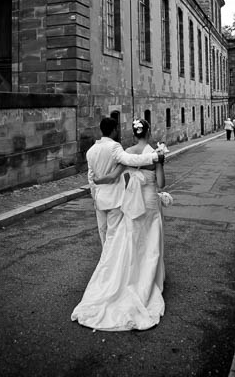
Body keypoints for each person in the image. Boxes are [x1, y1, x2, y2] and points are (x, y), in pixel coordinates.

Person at [72, 118, 166, 331]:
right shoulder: (145, 152)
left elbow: (115, 175)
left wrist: (97, 184)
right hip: (149, 202)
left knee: (127, 241)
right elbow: (160, 183)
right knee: (150, 244)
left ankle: (120, 275)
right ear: (148, 132)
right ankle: (147, 281)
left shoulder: (125, 150)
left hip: (129, 204)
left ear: (134, 133)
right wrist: (158, 158)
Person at [86, 117, 164, 246]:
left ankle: (106, 260)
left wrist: (95, 194)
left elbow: (92, 177)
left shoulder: (90, 151)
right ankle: (112, 262)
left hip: (100, 199)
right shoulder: (115, 147)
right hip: (117, 199)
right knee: (115, 234)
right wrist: (155, 157)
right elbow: (129, 160)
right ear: (114, 130)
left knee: (103, 233)